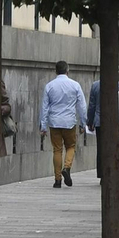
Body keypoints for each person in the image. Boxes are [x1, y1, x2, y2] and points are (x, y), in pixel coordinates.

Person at [38, 60, 88, 189]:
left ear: (55, 71)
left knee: (57, 150)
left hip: (54, 122)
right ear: (68, 71)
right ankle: (67, 167)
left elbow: (44, 107)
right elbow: (82, 106)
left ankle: (57, 180)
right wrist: (83, 123)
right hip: (69, 122)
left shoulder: (49, 86)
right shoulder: (75, 85)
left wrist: (43, 126)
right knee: (71, 146)